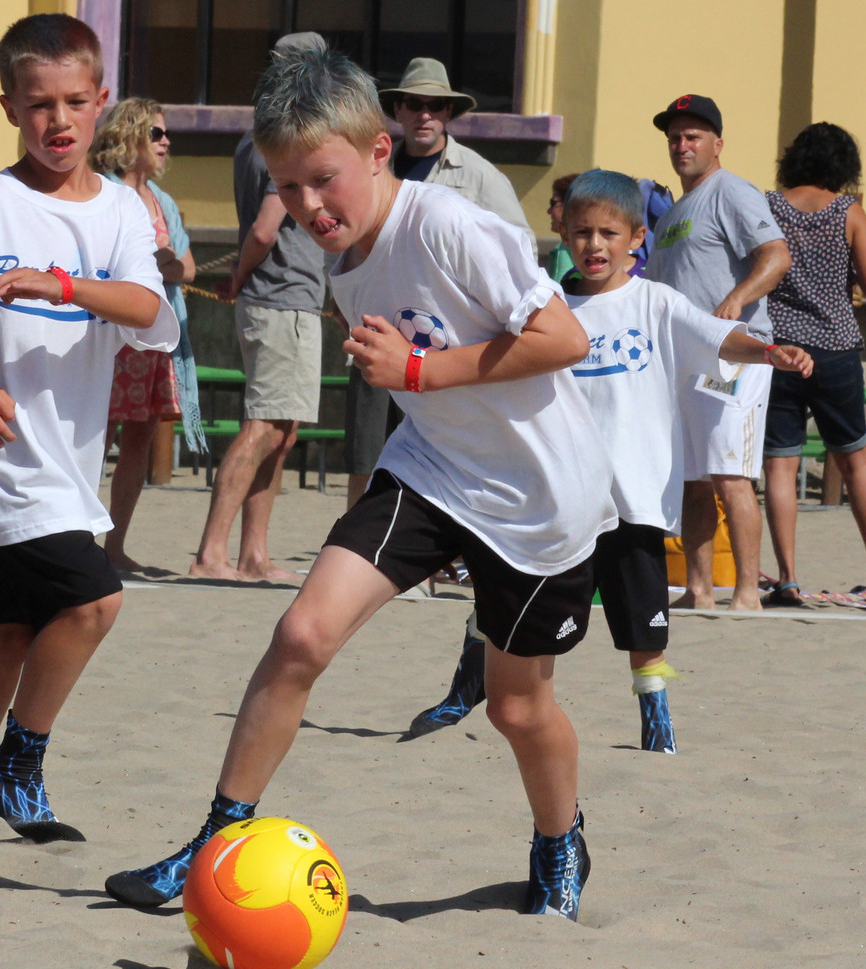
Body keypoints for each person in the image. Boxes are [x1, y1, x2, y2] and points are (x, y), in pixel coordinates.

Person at [107, 44, 610, 921]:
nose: (307, 206)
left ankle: (559, 840)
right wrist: (420, 385)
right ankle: (216, 845)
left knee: (515, 709)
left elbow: (565, 340)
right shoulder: (339, 254)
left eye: (321, 180)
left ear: (380, 150)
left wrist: (420, 371)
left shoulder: (448, 225)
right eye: (286, 186)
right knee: (300, 634)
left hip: (539, 499)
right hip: (432, 470)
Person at [0, 13, 179, 846]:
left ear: (100, 100)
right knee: (95, 598)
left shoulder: (121, 210)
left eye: (75, 102)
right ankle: (19, 762)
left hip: (68, 458)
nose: (58, 120)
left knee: (8, 639)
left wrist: (63, 285)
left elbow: (147, 309)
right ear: (10, 106)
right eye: (39, 103)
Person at [408, 171, 813, 751]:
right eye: (581, 232)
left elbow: (719, 337)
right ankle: (463, 688)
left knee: (643, 622)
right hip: (555, 494)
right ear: (563, 233)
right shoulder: (545, 309)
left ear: (636, 238)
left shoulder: (656, 302)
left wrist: (770, 352)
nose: (594, 245)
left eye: (608, 233)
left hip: (633, 497)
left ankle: (656, 716)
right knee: (505, 599)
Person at [344, 56, 537, 508]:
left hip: (444, 348)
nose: (425, 114)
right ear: (398, 111)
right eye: (415, 104)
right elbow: (345, 244)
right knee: (366, 457)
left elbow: (521, 252)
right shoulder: (373, 168)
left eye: (436, 106)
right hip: (378, 334)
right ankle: (358, 537)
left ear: (449, 112)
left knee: (443, 461)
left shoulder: (480, 176)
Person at [189, 33, 329, 581]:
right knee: (264, 427)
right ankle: (211, 554)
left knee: (281, 431)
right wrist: (240, 275)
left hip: (280, 299)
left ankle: (253, 555)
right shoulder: (284, 139)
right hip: (280, 299)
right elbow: (267, 229)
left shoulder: (255, 137)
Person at [645, 94, 791, 611]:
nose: (681, 146)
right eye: (674, 138)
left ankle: (748, 591)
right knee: (692, 478)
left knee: (731, 473)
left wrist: (737, 298)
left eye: (693, 137)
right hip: (685, 360)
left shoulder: (731, 191)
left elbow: (776, 255)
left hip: (736, 354)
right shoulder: (670, 216)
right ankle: (699, 588)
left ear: (717, 144)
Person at [760, 123, 866, 606]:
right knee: (855, 461)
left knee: (780, 465)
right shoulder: (848, 211)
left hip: (779, 349)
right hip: (835, 346)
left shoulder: (768, 205)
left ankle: (787, 578)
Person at [90, 97, 205, 572]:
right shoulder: (102, 190)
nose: (165, 141)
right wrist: (158, 263)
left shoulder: (163, 201)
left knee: (139, 440)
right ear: (130, 134)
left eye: (165, 133)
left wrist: (157, 263)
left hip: (155, 338)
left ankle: (114, 546)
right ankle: (76, 543)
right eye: (155, 133)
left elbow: (188, 268)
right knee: (94, 437)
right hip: (110, 335)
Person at [546, 173, 580, 283]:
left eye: (553, 203)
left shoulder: (568, 245)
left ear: (569, 204)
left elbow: (560, 287)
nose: (549, 211)